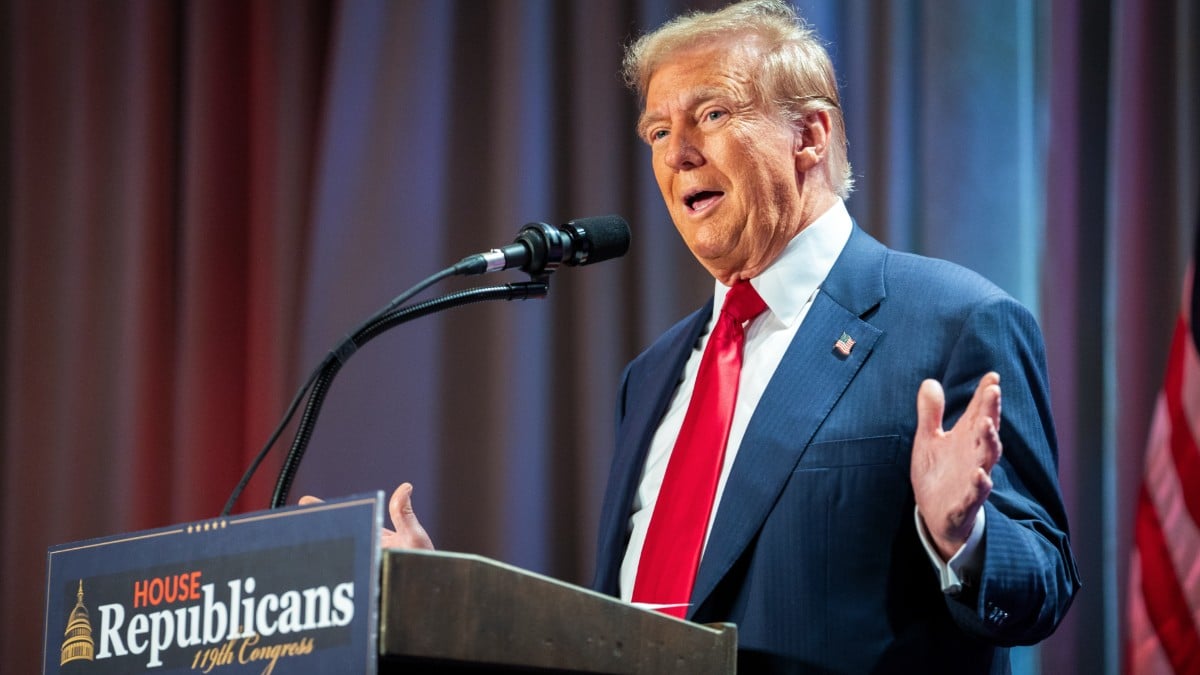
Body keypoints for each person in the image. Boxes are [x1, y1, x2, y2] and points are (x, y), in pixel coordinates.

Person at [315, 0, 1079, 671]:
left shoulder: (952, 322)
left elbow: (1044, 584)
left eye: (710, 115)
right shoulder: (651, 376)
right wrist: (442, 601)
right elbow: (614, 640)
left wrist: (964, 536)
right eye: (657, 128)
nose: (676, 152)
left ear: (810, 135)